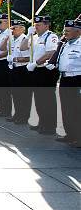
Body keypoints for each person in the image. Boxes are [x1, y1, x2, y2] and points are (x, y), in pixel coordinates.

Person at [22, 15, 59, 134]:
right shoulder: (35, 37)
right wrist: (28, 35)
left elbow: (51, 53)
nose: (36, 27)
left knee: (47, 99)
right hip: (36, 71)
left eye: (38, 24)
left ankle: (50, 126)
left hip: (45, 71)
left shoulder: (51, 36)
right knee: (38, 99)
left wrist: (36, 63)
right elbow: (22, 48)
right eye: (35, 25)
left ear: (46, 25)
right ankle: (42, 122)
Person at [52, 19, 81, 147]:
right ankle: (69, 134)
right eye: (65, 31)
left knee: (77, 109)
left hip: (77, 79)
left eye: (68, 31)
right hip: (65, 79)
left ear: (78, 32)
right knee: (66, 108)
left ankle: (79, 137)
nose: (65, 33)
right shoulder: (65, 44)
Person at [3, 20, 31, 124]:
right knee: (15, 94)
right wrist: (7, 36)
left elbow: (30, 57)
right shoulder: (12, 39)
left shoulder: (25, 39)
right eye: (11, 28)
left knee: (23, 95)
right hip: (13, 69)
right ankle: (17, 114)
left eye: (14, 28)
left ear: (22, 29)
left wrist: (15, 59)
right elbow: (2, 48)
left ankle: (23, 117)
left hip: (23, 70)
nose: (12, 30)